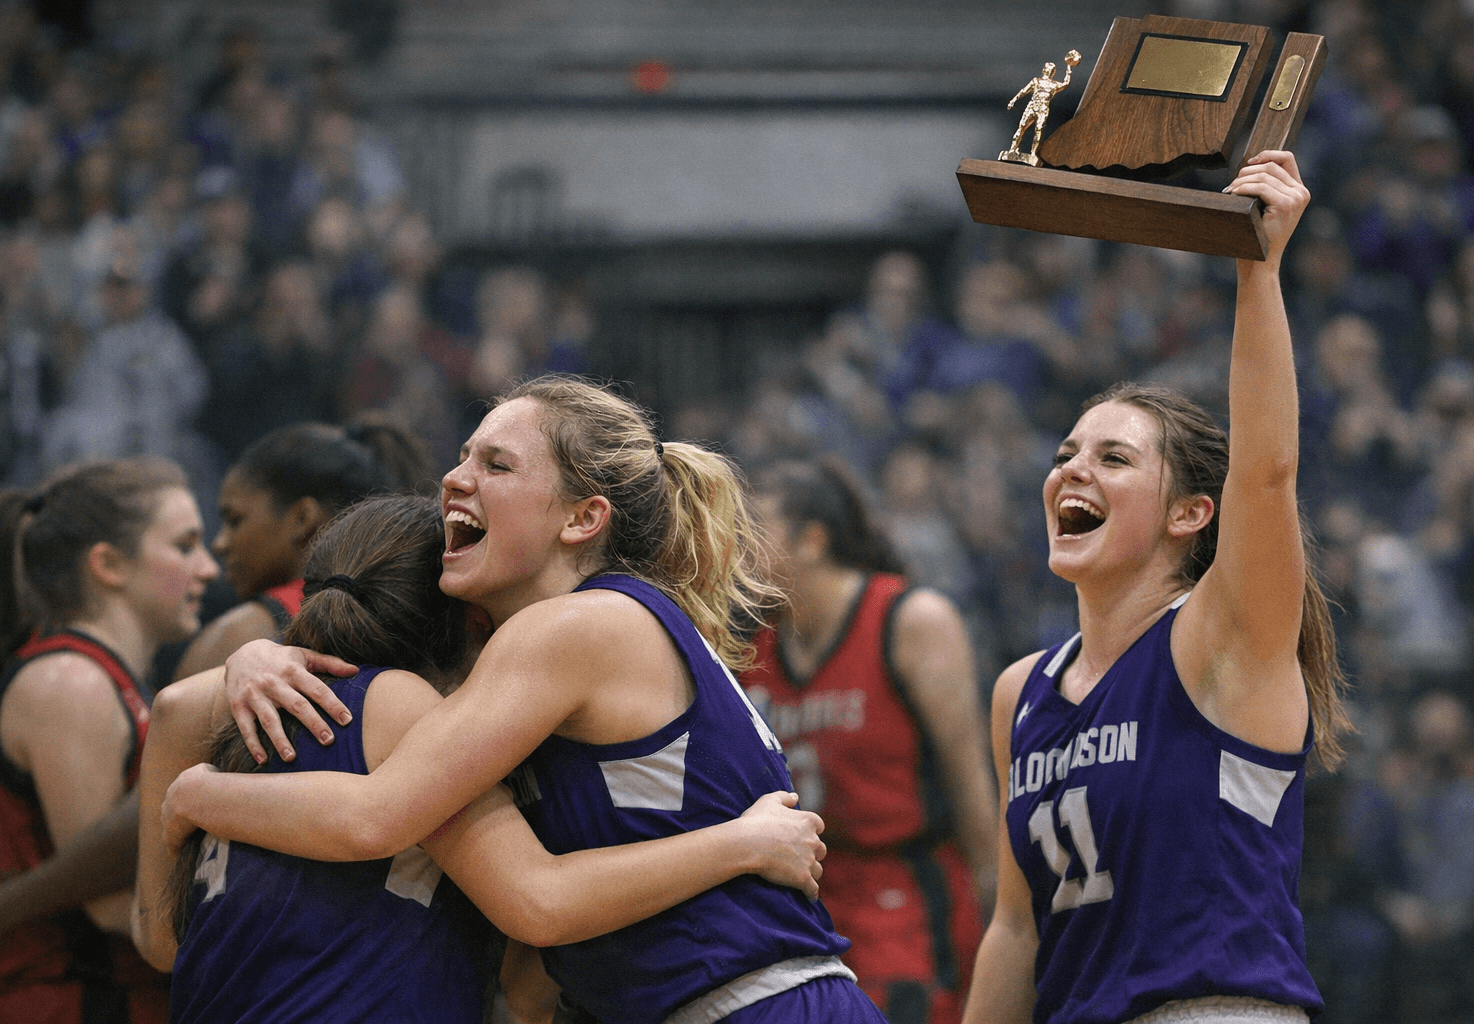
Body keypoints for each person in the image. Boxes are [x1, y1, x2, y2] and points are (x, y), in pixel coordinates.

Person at [163, 375, 888, 1023]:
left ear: (581, 520)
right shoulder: (558, 641)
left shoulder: (573, 628)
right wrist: (254, 656)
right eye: (464, 455)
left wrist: (197, 795)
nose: (453, 478)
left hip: (757, 1003)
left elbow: (377, 818)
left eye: (495, 464)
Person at [962, 151, 1349, 1024]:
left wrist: (1257, 268)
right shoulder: (1019, 694)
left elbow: (1268, 474)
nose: (1072, 471)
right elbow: (1016, 931)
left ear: (1188, 515)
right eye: (1064, 454)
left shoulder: (1222, 639)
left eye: (1113, 458)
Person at [742, 458, 998, 1024]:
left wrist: (1007, 927)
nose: (738, 549)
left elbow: (972, 789)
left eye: (755, 530)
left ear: (811, 540)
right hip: (807, 903)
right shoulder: (751, 648)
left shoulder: (911, 620)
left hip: (906, 900)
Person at [0, 457, 219, 1023]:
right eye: (185, 546)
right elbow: (111, 906)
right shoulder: (69, 682)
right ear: (108, 564)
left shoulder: (106, 677)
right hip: (74, 999)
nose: (208, 568)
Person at [174, 418, 434, 678]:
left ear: (302, 519)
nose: (220, 544)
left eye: (234, 520)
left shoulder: (242, 634)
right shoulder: (413, 622)